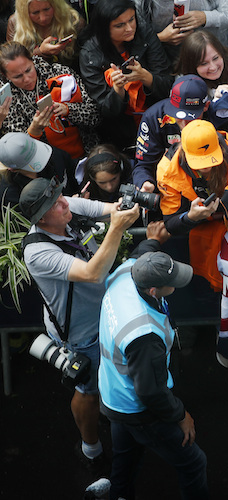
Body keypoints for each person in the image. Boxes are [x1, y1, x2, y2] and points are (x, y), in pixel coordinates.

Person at [19, 176, 140, 481]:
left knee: (113, 378)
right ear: (42, 218)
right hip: (81, 332)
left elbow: (111, 209)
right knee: (87, 387)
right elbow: (92, 272)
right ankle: (91, 449)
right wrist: (116, 227)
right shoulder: (37, 252)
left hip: (107, 314)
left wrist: (129, 203)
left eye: (62, 197)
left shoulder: (65, 208)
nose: (66, 202)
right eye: (57, 204)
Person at [99, 249, 209, 499]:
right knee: (194, 463)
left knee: (126, 457)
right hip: (137, 408)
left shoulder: (127, 271)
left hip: (113, 392)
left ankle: (120, 494)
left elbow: (144, 249)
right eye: (172, 283)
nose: (176, 284)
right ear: (153, 291)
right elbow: (150, 391)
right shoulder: (144, 335)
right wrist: (180, 415)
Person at [156, 119, 228, 290]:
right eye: (199, 161)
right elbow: (171, 223)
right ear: (183, 151)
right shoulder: (167, 171)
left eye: (210, 158)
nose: (206, 166)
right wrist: (191, 217)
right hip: (195, 234)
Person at [78, 0, 172, 150]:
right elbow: (104, 112)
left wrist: (145, 77)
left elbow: (168, 85)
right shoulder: (90, 54)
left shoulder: (144, 33)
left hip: (159, 119)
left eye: (131, 19)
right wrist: (118, 90)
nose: (129, 28)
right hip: (121, 134)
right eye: (119, 25)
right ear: (104, 28)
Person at [0, 41, 100, 159]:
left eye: (28, 70)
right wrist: (34, 130)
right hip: (48, 163)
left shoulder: (59, 73)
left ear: (32, 61)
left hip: (87, 151)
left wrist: (68, 109)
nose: (27, 79)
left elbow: (95, 116)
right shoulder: (7, 99)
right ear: (5, 76)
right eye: (18, 76)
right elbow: (18, 152)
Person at [133, 75, 211, 192]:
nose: (184, 123)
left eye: (191, 117)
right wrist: (145, 182)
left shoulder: (217, 114)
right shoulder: (154, 117)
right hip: (169, 191)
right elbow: (144, 165)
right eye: (178, 115)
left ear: (206, 106)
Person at [134, 0, 228, 58]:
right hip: (169, 64)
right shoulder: (140, 3)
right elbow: (130, 37)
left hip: (217, 57)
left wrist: (205, 17)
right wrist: (160, 38)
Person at [0, 132, 79, 206]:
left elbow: (74, 171)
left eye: (37, 153)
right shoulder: (9, 194)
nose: (44, 158)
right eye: (32, 161)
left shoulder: (52, 154)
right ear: (12, 169)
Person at [174, 30, 228, 99]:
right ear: (191, 65)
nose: (213, 67)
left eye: (215, 58)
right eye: (204, 63)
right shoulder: (183, 82)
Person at [7, 0, 85, 69]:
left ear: (56, 6)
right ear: (25, 13)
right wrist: (40, 52)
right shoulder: (15, 23)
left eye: (47, 9)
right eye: (35, 13)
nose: (43, 18)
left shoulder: (73, 22)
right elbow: (11, 62)